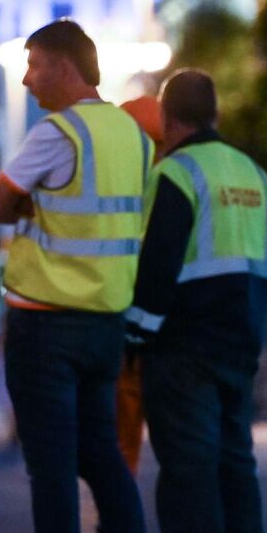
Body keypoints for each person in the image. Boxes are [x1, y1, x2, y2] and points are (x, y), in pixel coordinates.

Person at [0, 19, 152, 533]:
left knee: (50, 464)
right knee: (103, 456)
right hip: (106, 320)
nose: (25, 78)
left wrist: (32, 204)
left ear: (65, 66)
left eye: (33, 64)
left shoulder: (59, 133)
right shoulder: (134, 137)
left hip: (46, 321)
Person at [127, 69, 267, 533]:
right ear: (215, 115)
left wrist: (135, 334)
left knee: (188, 468)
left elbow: (159, 264)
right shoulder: (255, 175)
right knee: (236, 465)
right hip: (241, 342)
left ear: (168, 120)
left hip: (183, 345)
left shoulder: (176, 172)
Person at [114, 93, 167, 470]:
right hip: (172, 332)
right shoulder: (181, 180)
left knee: (122, 442)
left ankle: (117, 525)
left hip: (126, 328)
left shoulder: (119, 185)